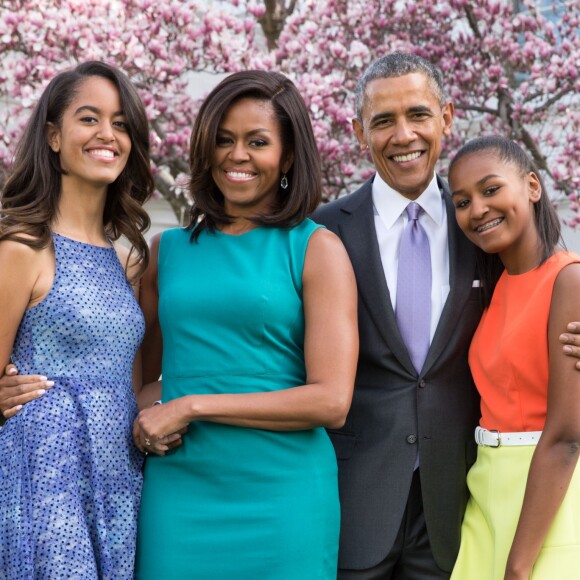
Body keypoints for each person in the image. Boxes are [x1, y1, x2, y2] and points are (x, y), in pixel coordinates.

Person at [313, 52, 580, 579]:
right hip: (356, 499)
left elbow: (542, 294)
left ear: (447, 118)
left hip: (459, 502)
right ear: (359, 133)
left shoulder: (486, 231)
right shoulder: (324, 233)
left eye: (418, 114)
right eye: (383, 121)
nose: (403, 134)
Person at [132, 70, 358, 579]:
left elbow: (332, 400)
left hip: (285, 497)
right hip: (179, 493)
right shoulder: (165, 253)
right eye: (224, 140)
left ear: (288, 156)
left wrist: (191, 404)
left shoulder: (317, 249)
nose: (237, 155)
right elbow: (138, 385)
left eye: (257, 142)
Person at [0, 61, 153, 579]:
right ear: (53, 136)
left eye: (121, 123)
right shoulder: (23, 247)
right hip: (45, 480)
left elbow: (130, 382)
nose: (107, 135)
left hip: (119, 476)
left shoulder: (127, 259)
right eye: (89, 119)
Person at [447, 136, 580, 580]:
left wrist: (519, 567)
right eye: (462, 201)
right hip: (485, 495)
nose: (477, 209)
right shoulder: (494, 287)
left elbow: (565, 437)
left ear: (533, 186)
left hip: (546, 501)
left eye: (490, 190)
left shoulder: (568, 281)